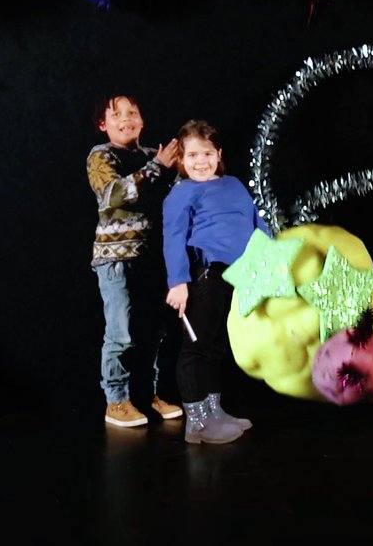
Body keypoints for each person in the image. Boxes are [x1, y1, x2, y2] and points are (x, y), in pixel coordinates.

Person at [162, 119, 270, 444]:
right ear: (181, 158)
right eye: (192, 155)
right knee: (197, 348)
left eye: (206, 153)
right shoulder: (181, 194)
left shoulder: (234, 184)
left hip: (236, 278)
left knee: (216, 348)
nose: (200, 161)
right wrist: (178, 282)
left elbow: (256, 223)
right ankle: (196, 422)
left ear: (218, 153)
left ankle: (214, 411)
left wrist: (270, 257)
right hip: (205, 277)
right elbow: (174, 238)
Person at [87, 94, 184, 428]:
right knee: (121, 332)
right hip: (116, 260)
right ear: (103, 125)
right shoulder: (101, 155)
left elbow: (174, 197)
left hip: (154, 257)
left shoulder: (151, 157)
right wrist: (159, 166)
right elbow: (114, 194)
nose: (126, 118)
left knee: (157, 331)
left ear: (142, 120)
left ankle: (155, 394)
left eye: (133, 112)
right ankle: (116, 402)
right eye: (117, 115)